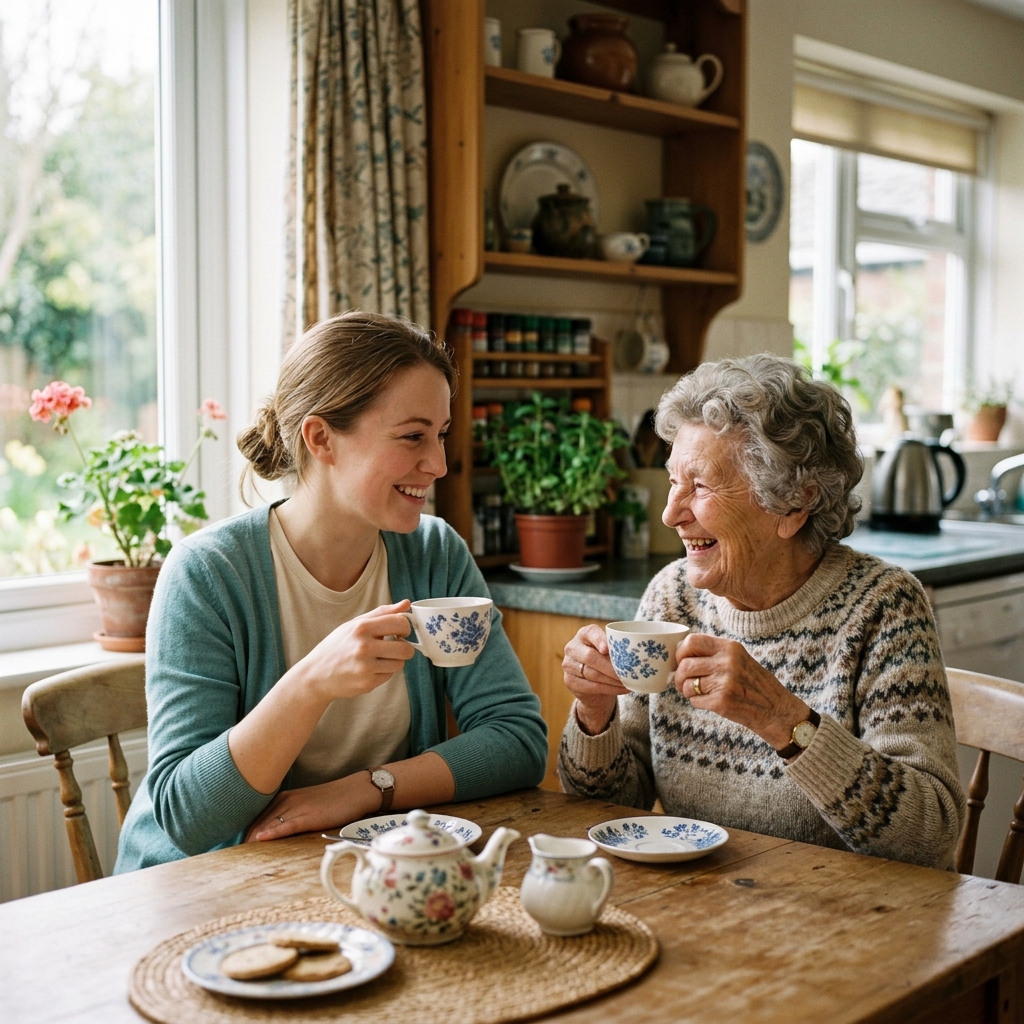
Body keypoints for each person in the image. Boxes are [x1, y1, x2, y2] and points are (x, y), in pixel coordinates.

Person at [115, 311, 547, 871]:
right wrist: (311, 683)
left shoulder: (434, 554)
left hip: (358, 867)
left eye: (440, 435)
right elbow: (189, 816)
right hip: (205, 882)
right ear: (321, 438)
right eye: (413, 436)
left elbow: (516, 740)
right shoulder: (208, 574)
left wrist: (365, 791)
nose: (438, 463)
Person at [558, 355, 965, 869]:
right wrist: (595, 717)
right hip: (718, 908)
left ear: (794, 504)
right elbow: (619, 809)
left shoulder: (883, 608)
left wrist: (782, 719)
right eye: (672, 482)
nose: (670, 513)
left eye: (701, 486)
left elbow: (930, 832)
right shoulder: (672, 599)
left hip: (859, 924)